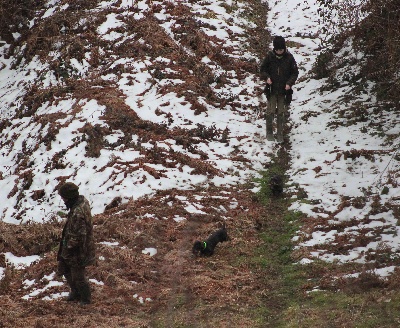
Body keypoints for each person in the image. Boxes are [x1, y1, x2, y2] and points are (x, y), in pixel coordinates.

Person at [57, 182, 95, 305]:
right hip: (74, 247)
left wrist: (68, 248)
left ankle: (85, 299)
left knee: (78, 276)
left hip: (78, 250)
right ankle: (75, 292)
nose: (63, 201)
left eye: (64, 198)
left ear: (69, 197)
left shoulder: (78, 212)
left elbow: (79, 235)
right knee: (65, 269)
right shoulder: (80, 203)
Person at [260, 36, 299, 142]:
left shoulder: (290, 58)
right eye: (277, 50)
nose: (279, 52)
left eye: (281, 50)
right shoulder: (269, 57)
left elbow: (295, 73)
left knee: (281, 112)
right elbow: (262, 69)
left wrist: (289, 83)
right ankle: (269, 132)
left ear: (284, 48)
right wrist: (267, 77)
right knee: (270, 111)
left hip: (283, 90)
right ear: (274, 49)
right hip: (271, 89)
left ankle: (280, 133)